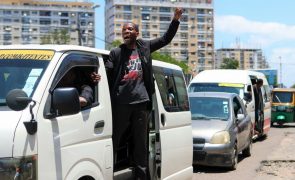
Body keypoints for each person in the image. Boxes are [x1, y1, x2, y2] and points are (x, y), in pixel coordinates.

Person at [105, 7, 183, 180]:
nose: (126, 31)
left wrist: (175, 20)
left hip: (141, 103)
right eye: (124, 29)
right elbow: (106, 72)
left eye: (129, 29)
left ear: (136, 33)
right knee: (113, 141)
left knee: (141, 145)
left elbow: (165, 39)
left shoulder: (144, 47)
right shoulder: (116, 53)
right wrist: (95, 77)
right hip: (121, 104)